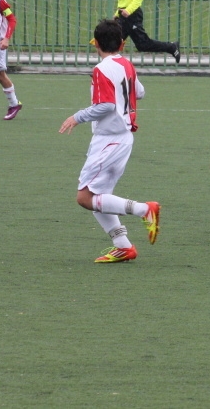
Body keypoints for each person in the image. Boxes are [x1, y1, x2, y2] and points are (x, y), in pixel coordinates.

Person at [59, 19, 161, 263]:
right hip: (122, 138)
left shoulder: (101, 69)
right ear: (123, 44)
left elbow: (105, 105)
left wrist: (77, 116)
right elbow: (141, 92)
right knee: (98, 195)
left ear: (96, 44)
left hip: (109, 140)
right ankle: (123, 245)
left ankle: (144, 209)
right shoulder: (126, 65)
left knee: (84, 197)